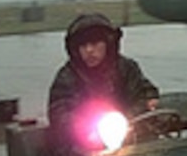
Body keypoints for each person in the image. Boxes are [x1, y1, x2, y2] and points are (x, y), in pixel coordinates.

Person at [48, 13, 159, 146]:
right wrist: (84, 129)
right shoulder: (67, 76)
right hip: (84, 146)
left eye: (95, 43)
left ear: (108, 43)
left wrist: (126, 120)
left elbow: (145, 94)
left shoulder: (127, 67)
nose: (89, 50)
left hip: (131, 139)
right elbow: (59, 113)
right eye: (83, 46)